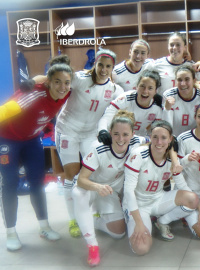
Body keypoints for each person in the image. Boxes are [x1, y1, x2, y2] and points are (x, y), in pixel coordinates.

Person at [0, 61, 73, 251]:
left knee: (37, 182)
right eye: (57, 82)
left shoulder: (67, 91)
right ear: (49, 82)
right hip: (7, 140)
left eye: (66, 83)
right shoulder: (34, 95)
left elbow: (87, 77)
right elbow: (5, 111)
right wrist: (35, 81)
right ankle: (11, 232)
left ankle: (44, 227)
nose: (62, 87)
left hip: (32, 139)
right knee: (9, 183)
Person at [54, 49, 124, 238]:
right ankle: (73, 219)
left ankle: (93, 210)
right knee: (71, 174)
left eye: (108, 66)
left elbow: (119, 110)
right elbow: (57, 82)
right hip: (67, 130)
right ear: (95, 63)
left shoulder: (116, 90)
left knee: (93, 173)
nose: (103, 69)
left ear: (112, 68)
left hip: (90, 134)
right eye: (100, 64)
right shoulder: (80, 78)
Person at [123, 120, 200, 255]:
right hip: (138, 205)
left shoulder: (172, 160)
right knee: (141, 248)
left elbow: (182, 185)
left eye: (163, 138)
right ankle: (142, 221)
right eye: (155, 137)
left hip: (158, 199)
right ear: (150, 137)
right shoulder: (139, 155)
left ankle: (162, 221)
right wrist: (139, 223)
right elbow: (128, 192)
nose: (159, 142)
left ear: (170, 139)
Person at [72, 110, 146, 266]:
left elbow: (159, 141)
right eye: (116, 134)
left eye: (125, 134)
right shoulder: (99, 148)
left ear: (133, 134)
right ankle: (92, 245)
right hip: (90, 187)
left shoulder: (137, 142)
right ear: (110, 132)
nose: (120, 139)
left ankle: (93, 220)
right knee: (78, 194)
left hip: (109, 191)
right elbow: (81, 180)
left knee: (118, 232)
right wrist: (97, 186)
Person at [98, 70, 173, 138]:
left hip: (139, 143)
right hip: (119, 139)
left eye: (150, 88)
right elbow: (108, 115)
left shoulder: (157, 108)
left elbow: (160, 132)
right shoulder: (125, 98)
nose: (145, 91)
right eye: (142, 86)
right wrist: (102, 130)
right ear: (137, 86)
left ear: (155, 91)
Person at [162, 64, 200, 137]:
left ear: (194, 81)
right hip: (174, 139)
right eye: (179, 80)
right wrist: (167, 109)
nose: (183, 84)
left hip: (197, 139)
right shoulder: (169, 95)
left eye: (187, 79)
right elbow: (166, 126)